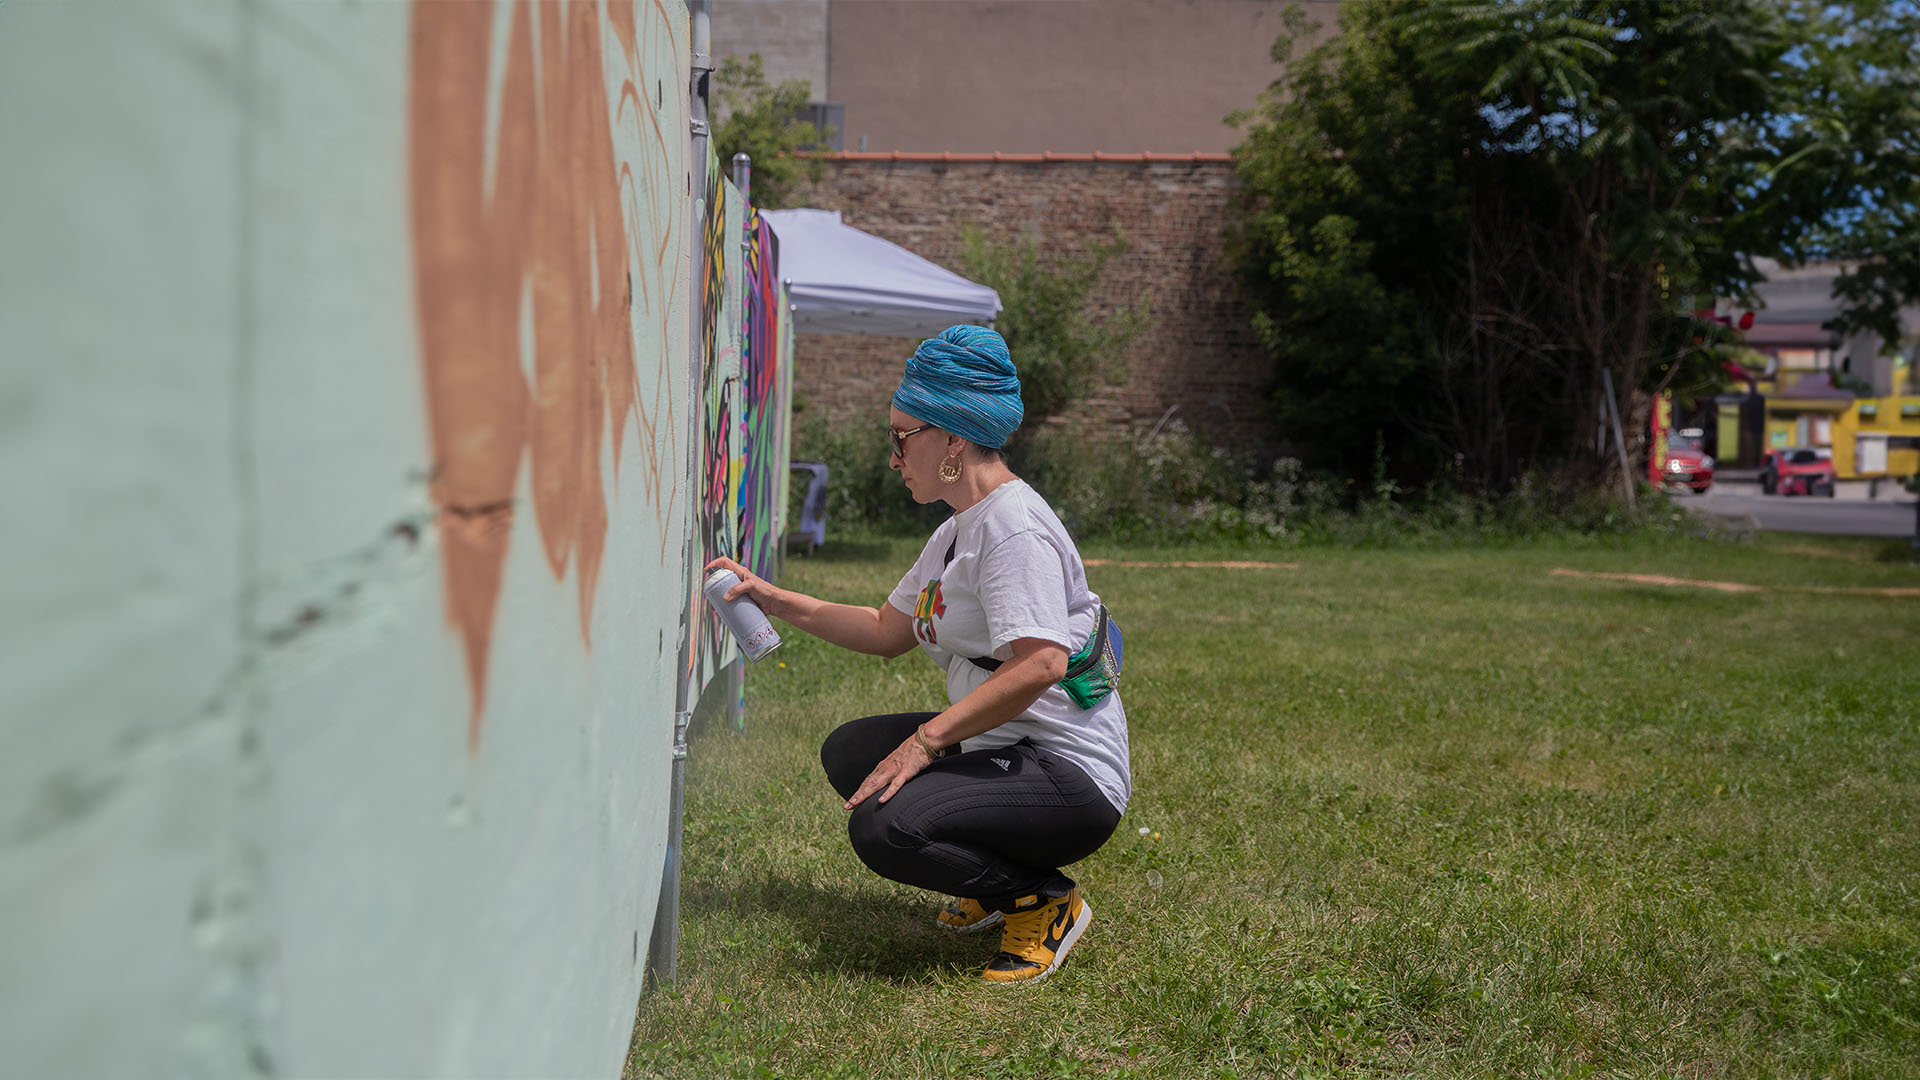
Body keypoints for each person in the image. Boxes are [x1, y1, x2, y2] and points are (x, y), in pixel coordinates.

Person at [705, 324, 1130, 985]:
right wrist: (773, 597)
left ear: (953, 439)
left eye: (902, 437)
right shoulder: (957, 528)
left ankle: (1041, 903)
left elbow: (1042, 663)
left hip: (1067, 777)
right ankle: (994, 884)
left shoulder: (1012, 531)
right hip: (1009, 747)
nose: (894, 456)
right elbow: (884, 629)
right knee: (852, 754)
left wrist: (926, 742)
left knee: (885, 828)